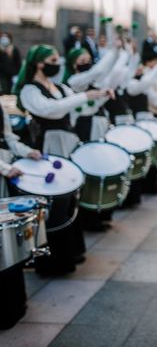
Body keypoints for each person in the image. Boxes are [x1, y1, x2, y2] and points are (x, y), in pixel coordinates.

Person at [13, 44, 109, 275]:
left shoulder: (59, 87)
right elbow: (52, 110)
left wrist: (100, 97)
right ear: (39, 63)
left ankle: (72, 252)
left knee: (68, 198)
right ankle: (51, 261)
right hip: (47, 146)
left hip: (67, 144)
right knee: (52, 201)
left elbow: (77, 109)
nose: (57, 65)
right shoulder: (29, 90)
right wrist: (85, 96)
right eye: (53, 60)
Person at [0, 102, 42, 329]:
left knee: (7, 241)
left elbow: (8, 138)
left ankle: (13, 304)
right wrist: (5, 169)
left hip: (4, 180)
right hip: (3, 171)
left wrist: (28, 151)